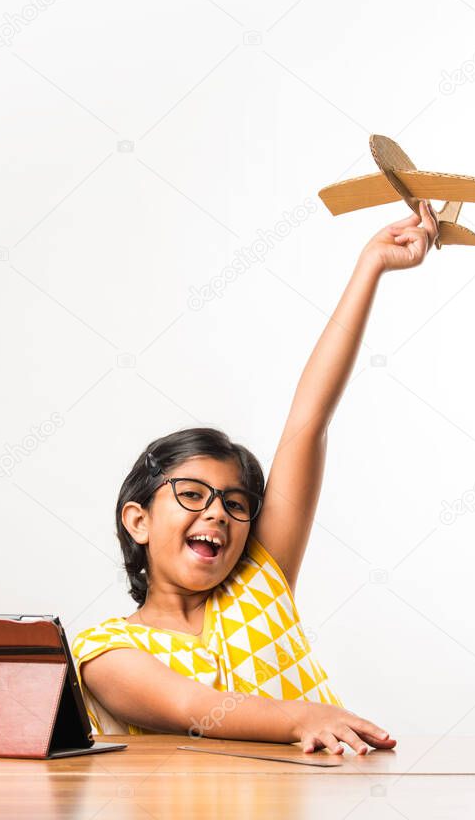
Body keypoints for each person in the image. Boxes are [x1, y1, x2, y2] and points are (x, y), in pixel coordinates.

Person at [72, 201, 440, 754]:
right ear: (138, 519)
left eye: (237, 504)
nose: (218, 512)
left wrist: (371, 266)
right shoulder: (106, 650)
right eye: (193, 494)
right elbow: (191, 707)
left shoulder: (260, 580)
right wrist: (301, 717)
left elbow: (309, 419)